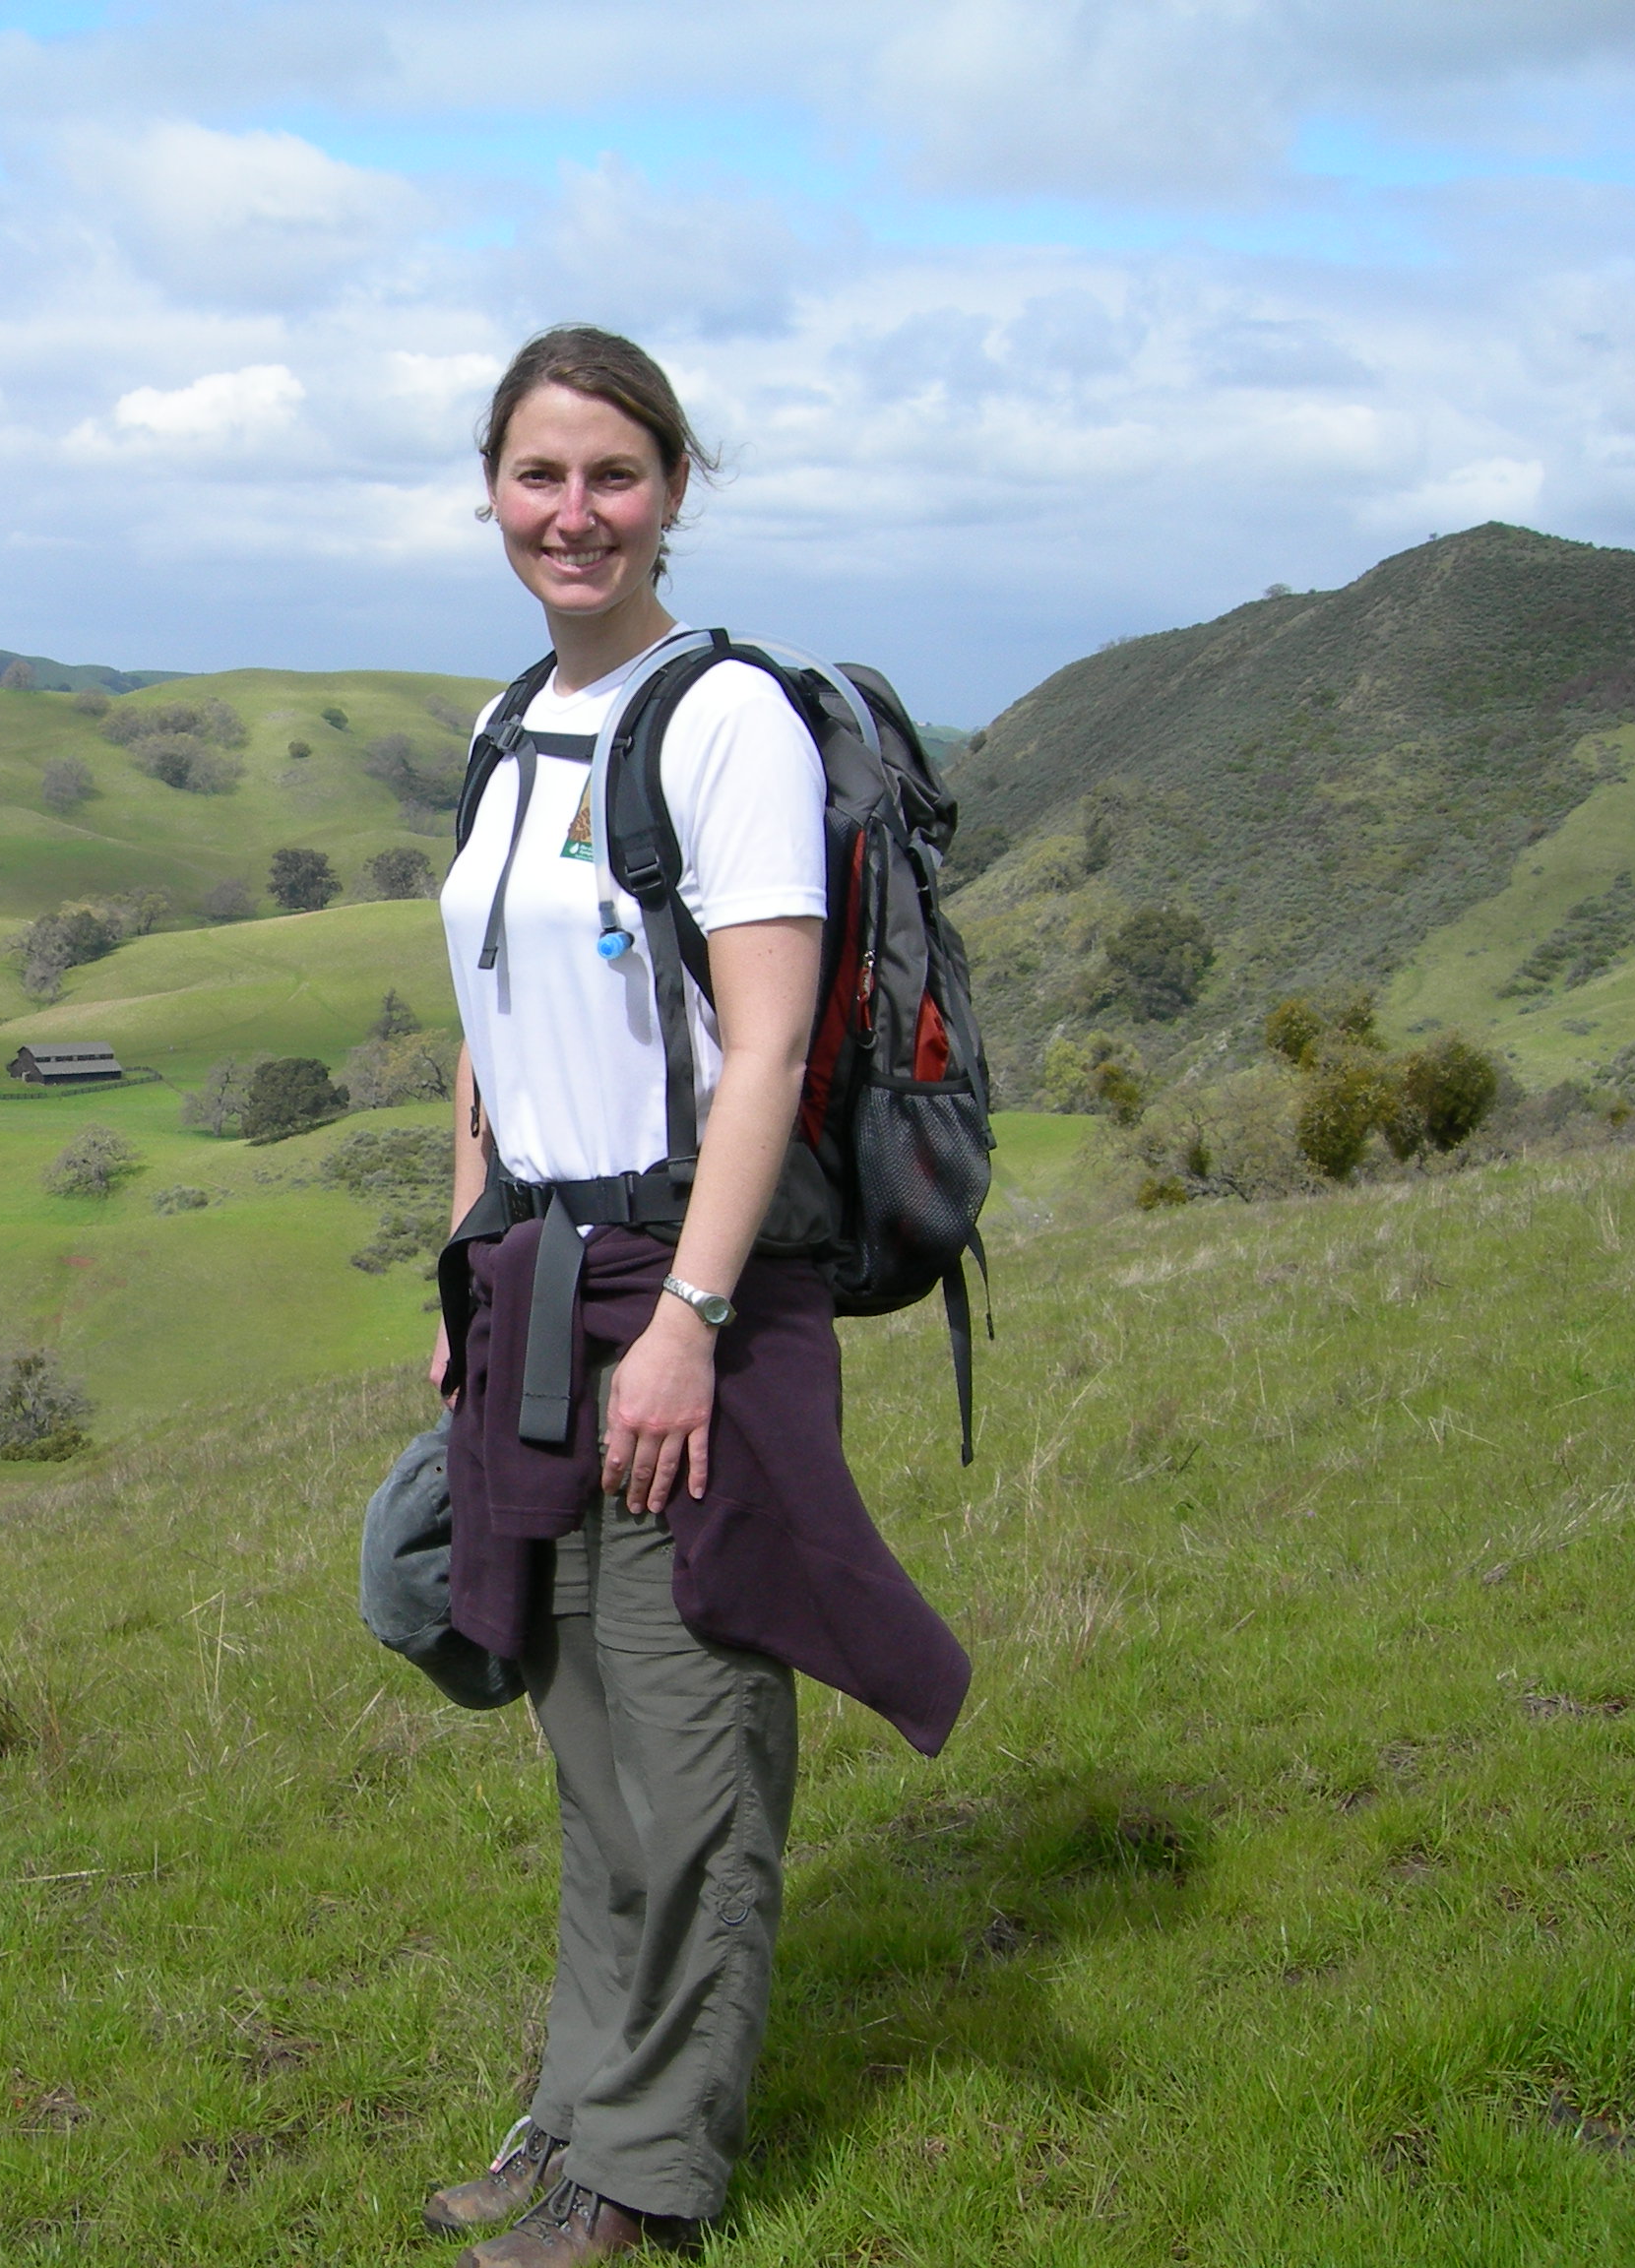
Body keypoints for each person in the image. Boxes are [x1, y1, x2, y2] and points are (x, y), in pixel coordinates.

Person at [418, 326, 962, 2263]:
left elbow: (769, 1035)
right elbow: (487, 1016)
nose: (575, 513)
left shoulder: (717, 720)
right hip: (539, 1288)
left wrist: (689, 1323)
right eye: (539, 475)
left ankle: (645, 2189)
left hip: (682, 1287)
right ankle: (570, 2125)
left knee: (695, 1733)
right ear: (489, 490)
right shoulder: (512, 724)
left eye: (614, 476)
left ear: (674, 493)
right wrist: (469, 1253)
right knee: (590, 1749)